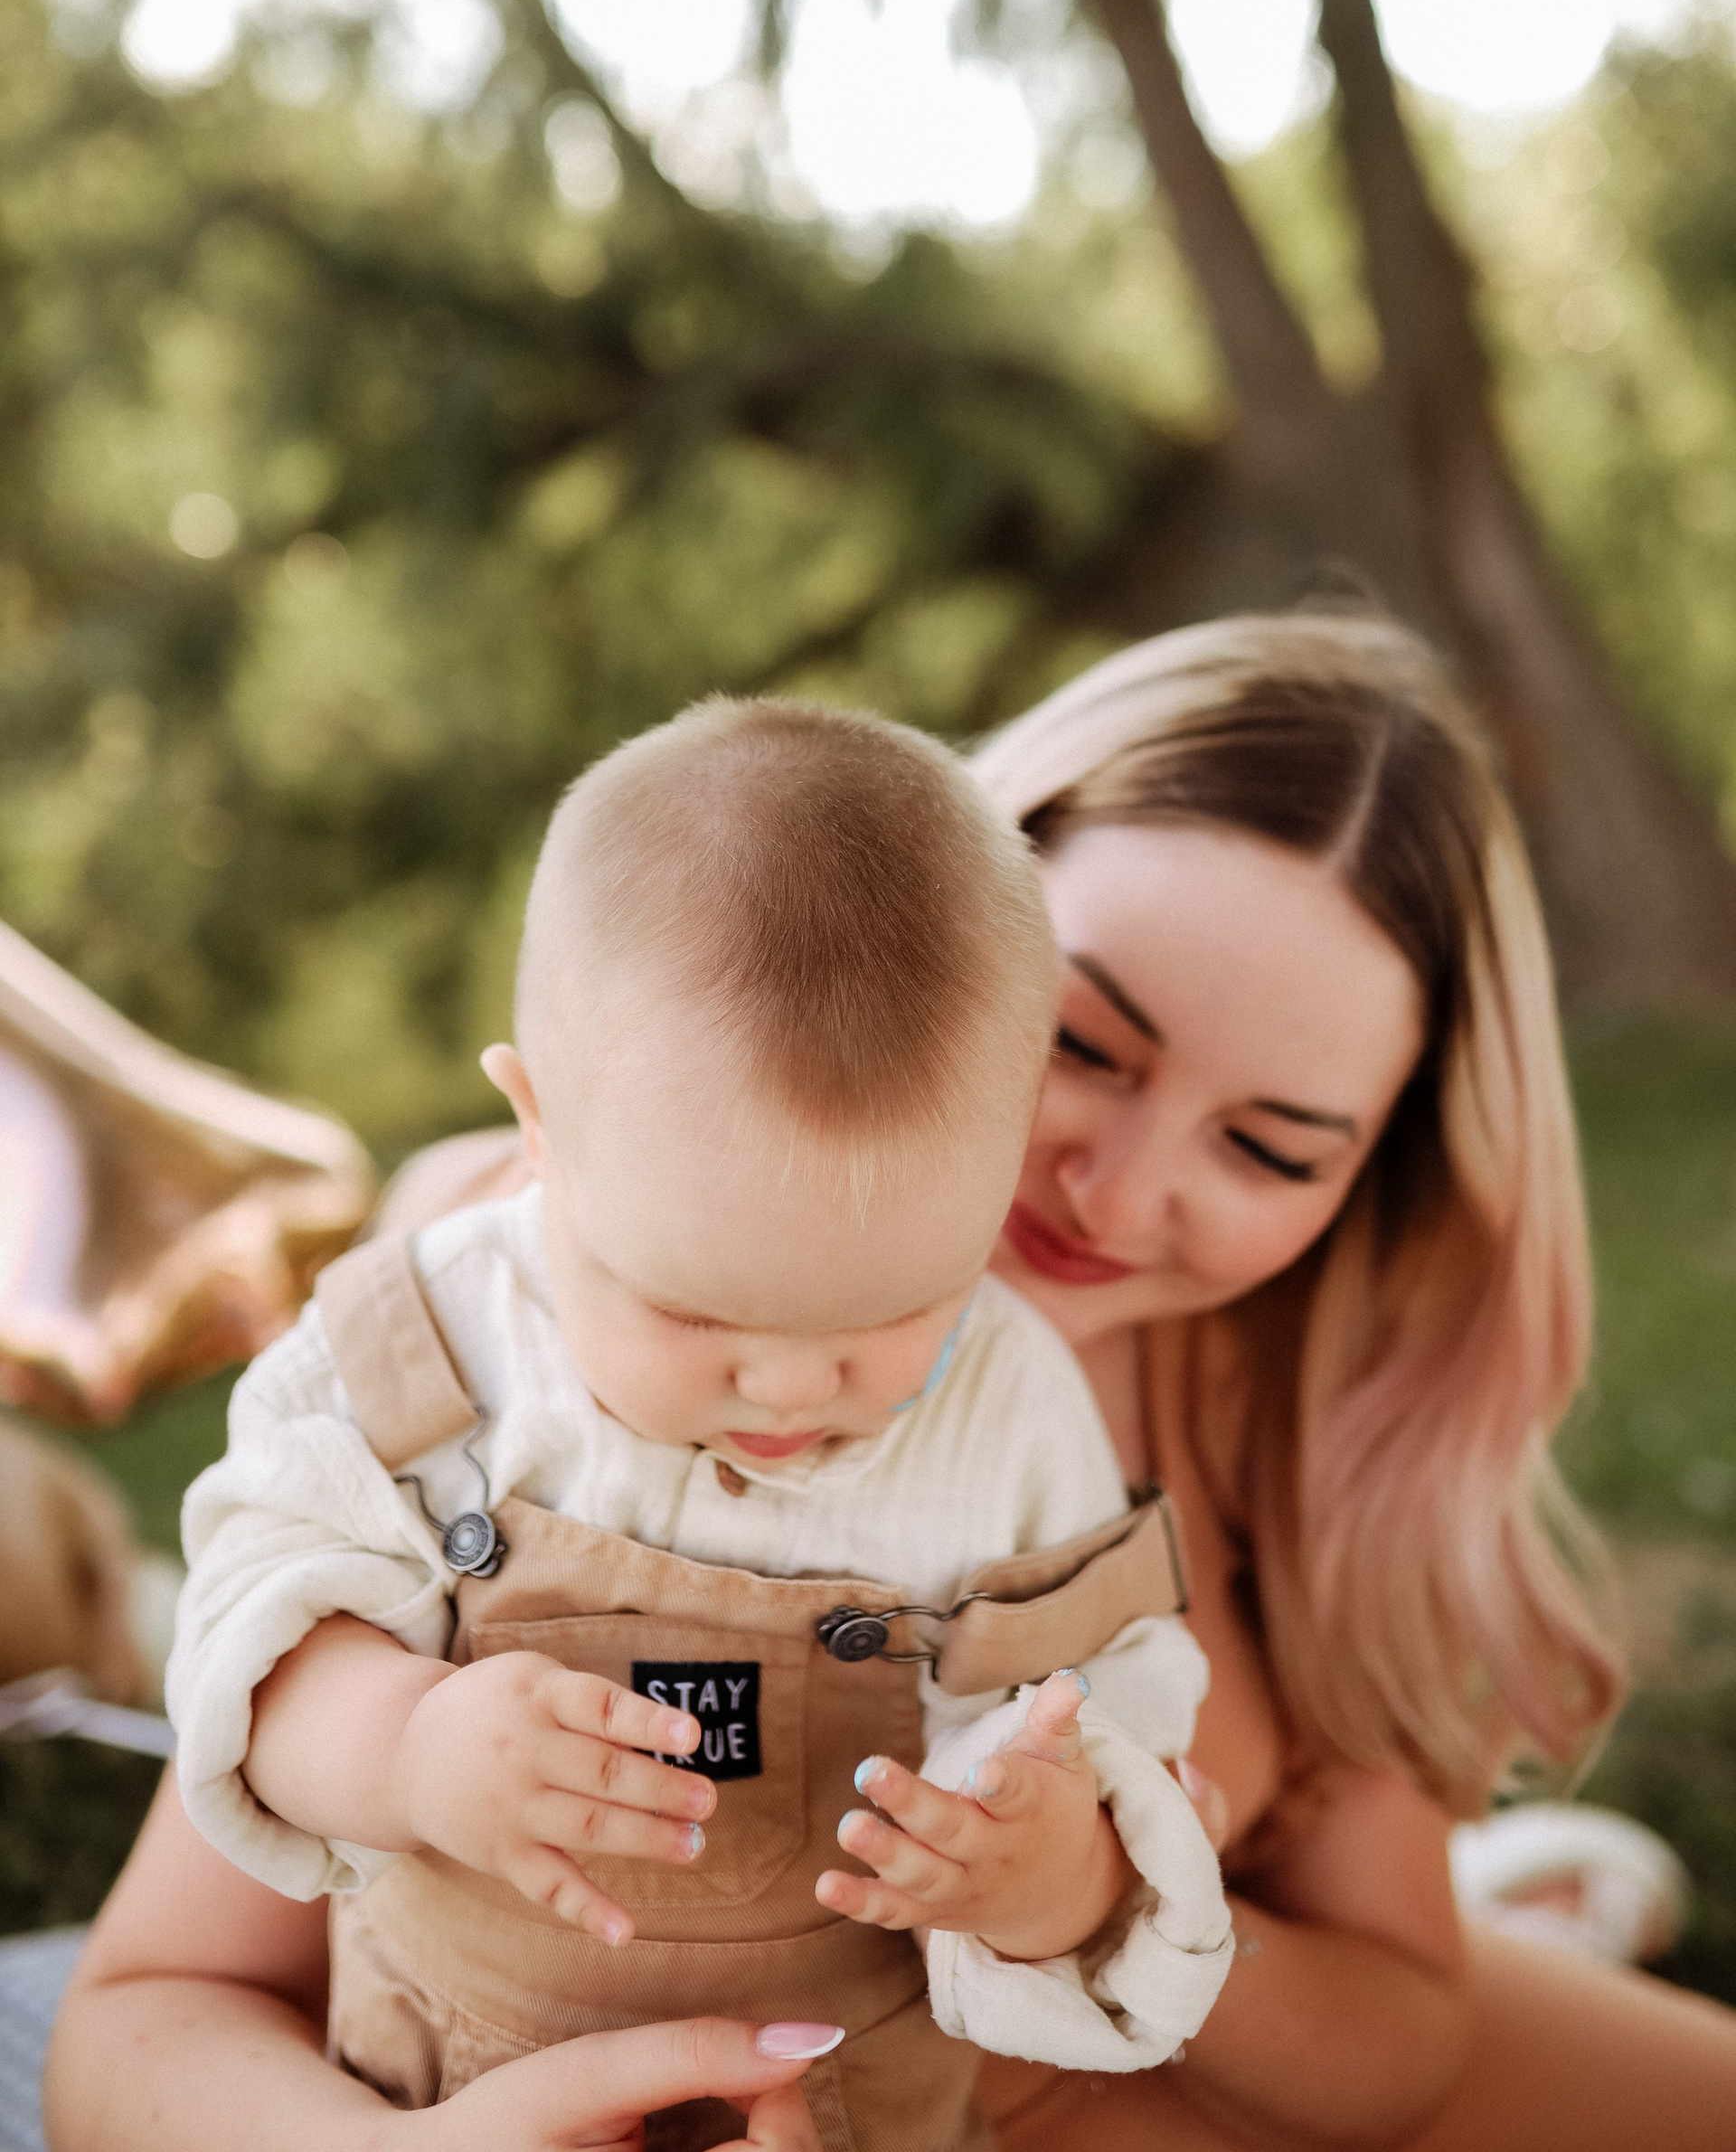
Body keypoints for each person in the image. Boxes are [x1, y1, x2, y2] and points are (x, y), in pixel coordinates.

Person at [44, 612, 1736, 2152]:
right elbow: (147, 2013)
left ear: (1376, 1176)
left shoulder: (1312, 1434)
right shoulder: (514, 1340)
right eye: (1082, 1046)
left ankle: (1510, 1898)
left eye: (1272, 1148)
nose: (1115, 1194)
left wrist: (1114, 1907)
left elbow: (1397, 2046)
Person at [160, 696, 1230, 2146]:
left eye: (890, 1315)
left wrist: (1049, 1874)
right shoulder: (427, 1351)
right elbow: (250, 1633)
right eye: (691, 1312)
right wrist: (406, 1746)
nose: (788, 1390)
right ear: (539, 1126)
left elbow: (1110, 1718)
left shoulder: (1014, 1413)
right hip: (435, 2095)